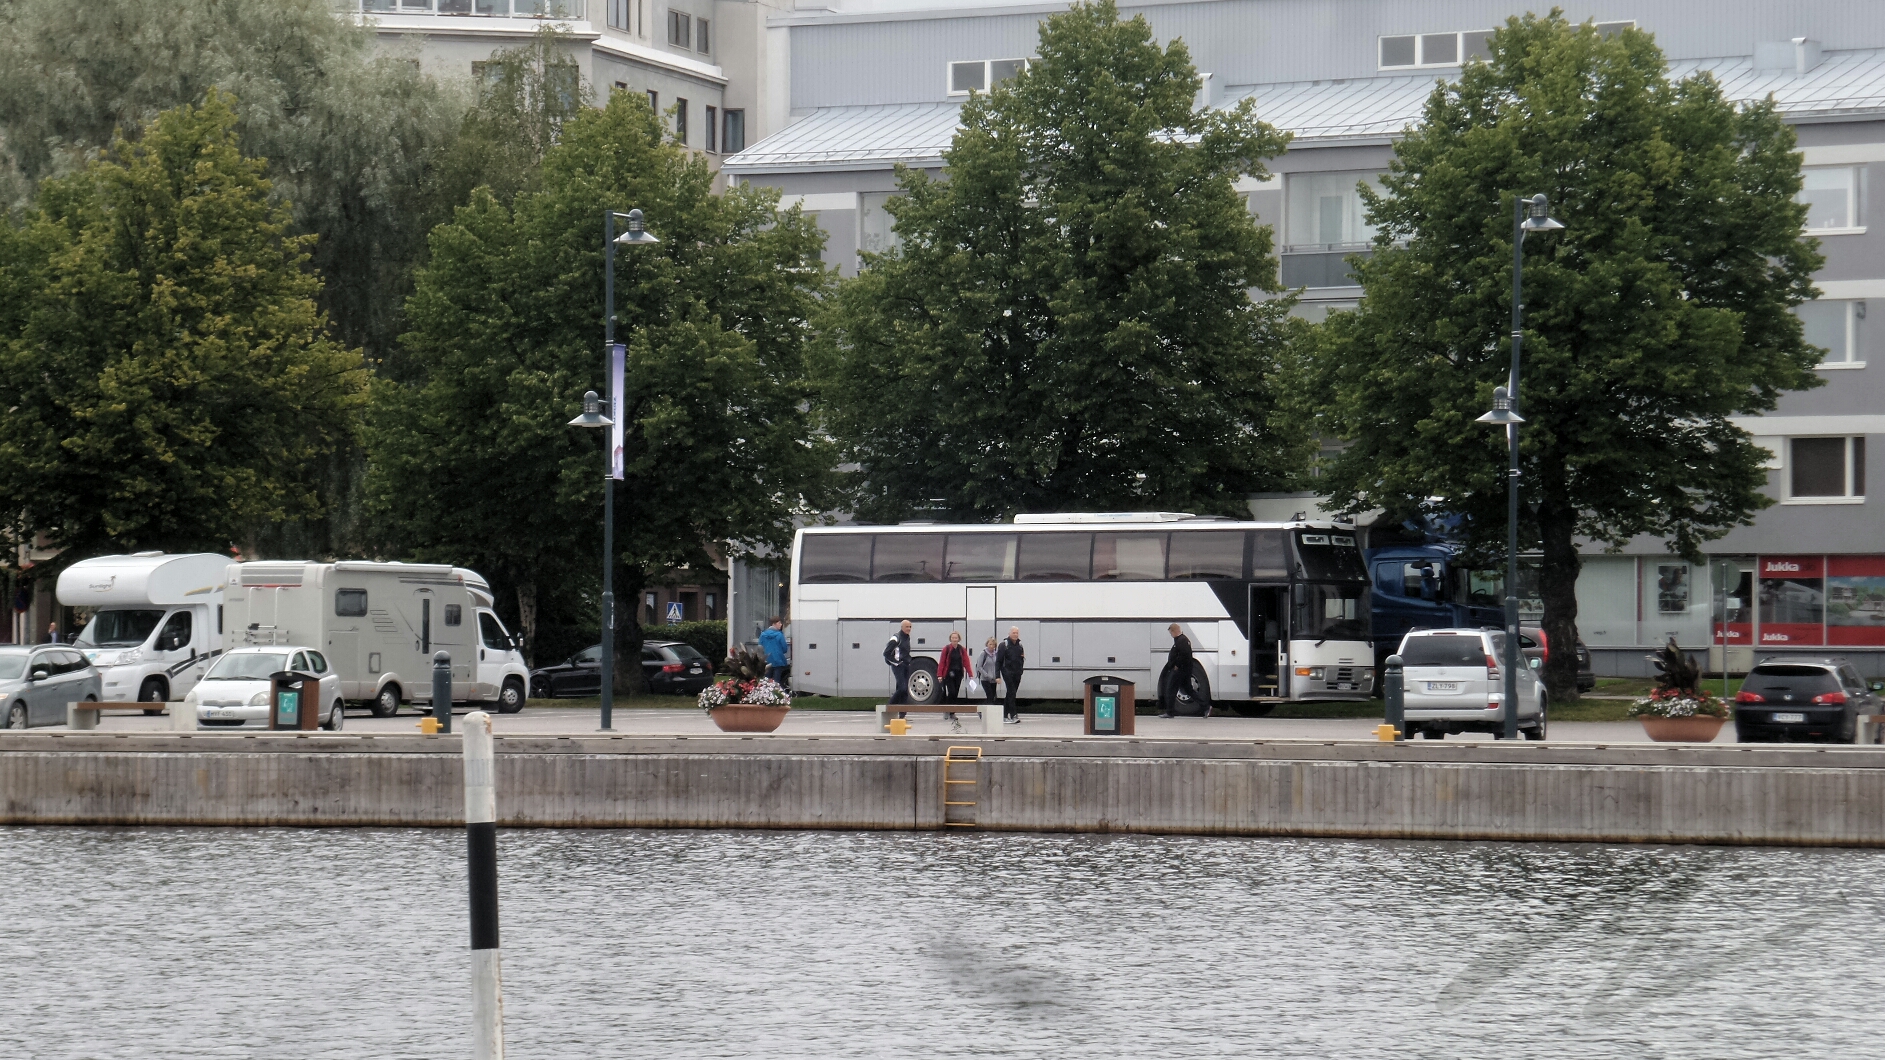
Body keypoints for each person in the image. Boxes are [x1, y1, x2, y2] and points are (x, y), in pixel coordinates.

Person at [1159, 622, 1195, 719]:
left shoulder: (1181, 640)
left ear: (1175, 631)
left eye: (1171, 633)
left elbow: (1184, 655)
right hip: (1183, 669)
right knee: (1188, 689)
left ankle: (1169, 712)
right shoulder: (1182, 640)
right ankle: (1205, 706)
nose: (1171, 635)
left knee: (1170, 689)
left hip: (1180, 670)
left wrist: (1176, 665)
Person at [936, 630, 971, 724]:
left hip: (958, 674)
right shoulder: (946, 649)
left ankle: (952, 712)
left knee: (955, 693)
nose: (954, 639)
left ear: (959, 639)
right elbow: (942, 662)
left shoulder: (962, 649)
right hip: (948, 674)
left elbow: (966, 662)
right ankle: (947, 710)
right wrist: (939, 675)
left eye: (956, 638)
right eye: (953, 638)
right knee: (951, 692)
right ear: (950, 639)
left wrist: (970, 674)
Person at [996, 625, 1025, 724]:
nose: (1015, 635)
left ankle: (1004, 715)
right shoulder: (1004, 645)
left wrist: (1021, 670)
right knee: (1011, 691)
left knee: (1011, 693)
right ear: (1009, 633)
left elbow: (1021, 659)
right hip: (1007, 672)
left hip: (1017, 673)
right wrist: (997, 675)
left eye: (1017, 633)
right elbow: (998, 661)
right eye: (1013, 633)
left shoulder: (1019, 645)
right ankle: (1013, 715)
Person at [883, 619, 913, 708]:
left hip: (906, 665)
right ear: (902, 627)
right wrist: (896, 663)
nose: (909, 629)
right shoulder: (896, 638)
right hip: (898, 666)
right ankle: (889, 706)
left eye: (910, 627)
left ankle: (902, 712)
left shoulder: (907, 637)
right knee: (902, 688)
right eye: (907, 627)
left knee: (904, 690)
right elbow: (886, 653)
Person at [759, 617, 790, 685]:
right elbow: (784, 649)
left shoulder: (763, 635)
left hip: (766, 661)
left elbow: (760, 648)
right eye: (779, 623)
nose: (781, 624)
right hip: (778, 661)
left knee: (766, 682)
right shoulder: (779, 635)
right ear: (773, 624)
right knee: (776, 682)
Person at [976, 636, 1001, 710]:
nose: (991, 646)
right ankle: (982, 710)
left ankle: (987, 711)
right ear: (987, 644)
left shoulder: (996, 654)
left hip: (994, 680)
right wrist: (986, 675)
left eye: (993, 645)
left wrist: (997, 676)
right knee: (989, 695)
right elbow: (979, 667)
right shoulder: (983, 654)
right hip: (985, 679)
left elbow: (998, 665)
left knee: (992, 697)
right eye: (990, 644)